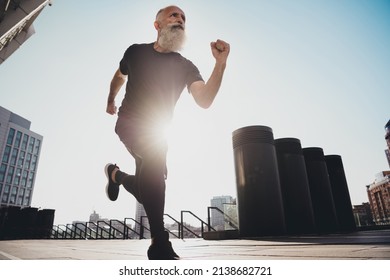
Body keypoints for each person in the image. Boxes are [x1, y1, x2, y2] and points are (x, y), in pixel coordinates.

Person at [105, 5, 230, 260]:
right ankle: (159, 242)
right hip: (129, 122)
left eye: (183, 18)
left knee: (149, 186)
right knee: (154, 165)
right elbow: (119, 76)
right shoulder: (136, 52)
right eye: (174, 15)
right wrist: (110, 100)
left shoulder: (185, 65)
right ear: (157, 25)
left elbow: (204, 99)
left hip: (157, 131)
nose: (180, 19)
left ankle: (115, 175)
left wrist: (220, 65)